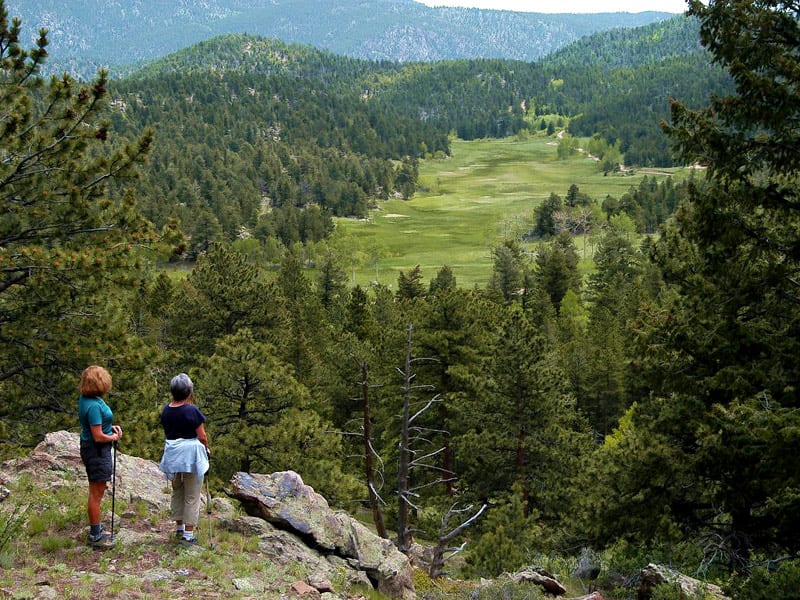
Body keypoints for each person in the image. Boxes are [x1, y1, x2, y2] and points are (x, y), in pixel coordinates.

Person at [159, 373, 209, 544]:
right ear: (189, 392)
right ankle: (188, 535)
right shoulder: (192, 410)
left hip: (173, 456)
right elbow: (201, 436)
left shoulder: (167, 410)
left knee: (178, 490)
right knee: (192, 494)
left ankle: (179, 527)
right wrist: (207, 448)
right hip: (191, 456)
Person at [77, 365, 122, 545]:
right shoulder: (94, 405)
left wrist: (108, 427)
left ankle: (96, 529)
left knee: (96, 490)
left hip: (92, 448)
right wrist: (113, 436)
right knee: (96, 492)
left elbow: (95, 426)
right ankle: (96, 535)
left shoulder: (87, 399)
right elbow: (97, 436)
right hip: (97, 451)